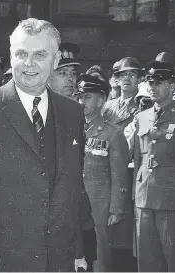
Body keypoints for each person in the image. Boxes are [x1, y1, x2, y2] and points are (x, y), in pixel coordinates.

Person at [0, 18, 90, 272]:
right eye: (21, 54)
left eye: (39, 54)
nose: (29, 64)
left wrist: (79, 251)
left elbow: (72, 186)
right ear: (11, 57)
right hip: (2, 257)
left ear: (56, 60)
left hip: (59, 257)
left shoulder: (72, 112)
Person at [125, 60, 175, 272]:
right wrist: (135, 197)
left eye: (159, 82)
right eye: (150, 82)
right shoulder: (142, 117)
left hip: (172, 201)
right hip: (144, 199)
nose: (153, 87)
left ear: (172, 85)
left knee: (172, 262)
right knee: (147, 262)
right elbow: (139, 161)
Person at [75, 73, 132, 272]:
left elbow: (119, 174)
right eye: (80, 97)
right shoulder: (72, 129)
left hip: (98, 205)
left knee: (99, 257)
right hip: (73, 203)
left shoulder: (112, 133)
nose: (82, 102)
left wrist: (116, 208)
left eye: (87, 97)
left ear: (101, 101)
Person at [102, 57, 142, 128]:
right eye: (123, 75)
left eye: (132, 75)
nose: (127, 78)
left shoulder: (141, 106)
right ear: (118, 80)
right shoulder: (108, 106)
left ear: (139, 79)